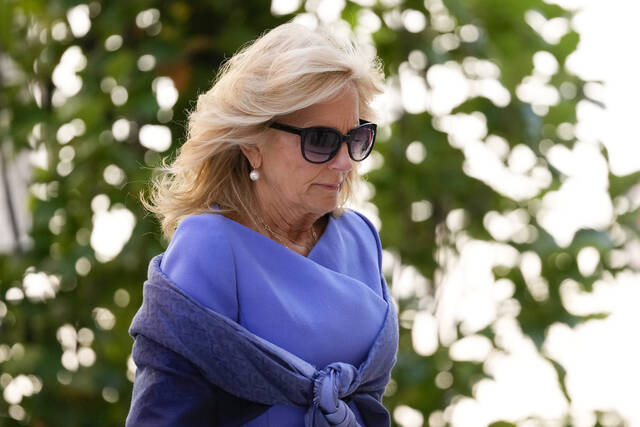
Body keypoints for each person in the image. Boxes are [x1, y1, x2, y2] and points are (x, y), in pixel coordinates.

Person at [126, 21, 398, 427]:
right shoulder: (209, 245)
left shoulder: (361, 238)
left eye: (355, 138)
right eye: (320, 140)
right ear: (252, 144)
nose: (344, 162)